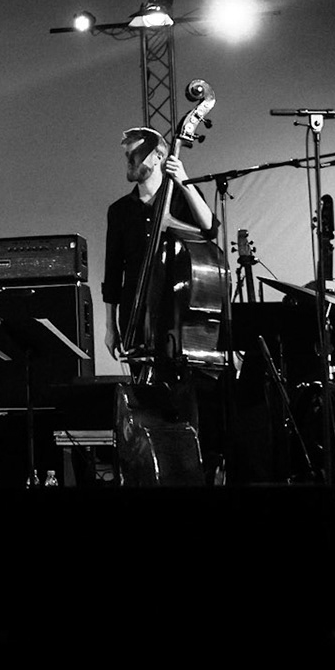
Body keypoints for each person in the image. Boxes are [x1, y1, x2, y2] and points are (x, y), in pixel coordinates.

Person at [100, 127, 218, 485]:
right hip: (137, 320)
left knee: (184, 405)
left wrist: (184, 182)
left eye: (135, 154)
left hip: (177, 320)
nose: (129, 162)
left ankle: (188, 473)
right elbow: (112, 271)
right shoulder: (119, 211)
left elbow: (210, 229)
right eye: (127, 156)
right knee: (143, 403)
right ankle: (148, 475)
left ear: (156, 157)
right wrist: (110, 325)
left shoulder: (179, 199)